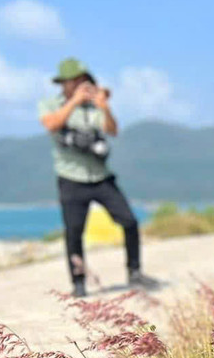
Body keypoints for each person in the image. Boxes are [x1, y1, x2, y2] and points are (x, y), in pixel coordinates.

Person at [38, 57, 157, 298]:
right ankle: (78, 282)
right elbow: (51, 125)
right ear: (65, 83)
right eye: (75, 81)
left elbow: (112, 130)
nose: (81, 84)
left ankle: (134, 272)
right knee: (74, 232)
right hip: (70, 178)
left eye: (83, 80)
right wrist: (74, 102)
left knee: (130, 221)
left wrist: (104, 106)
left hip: (101, 177)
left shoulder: (94, 106)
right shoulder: (50, 104)